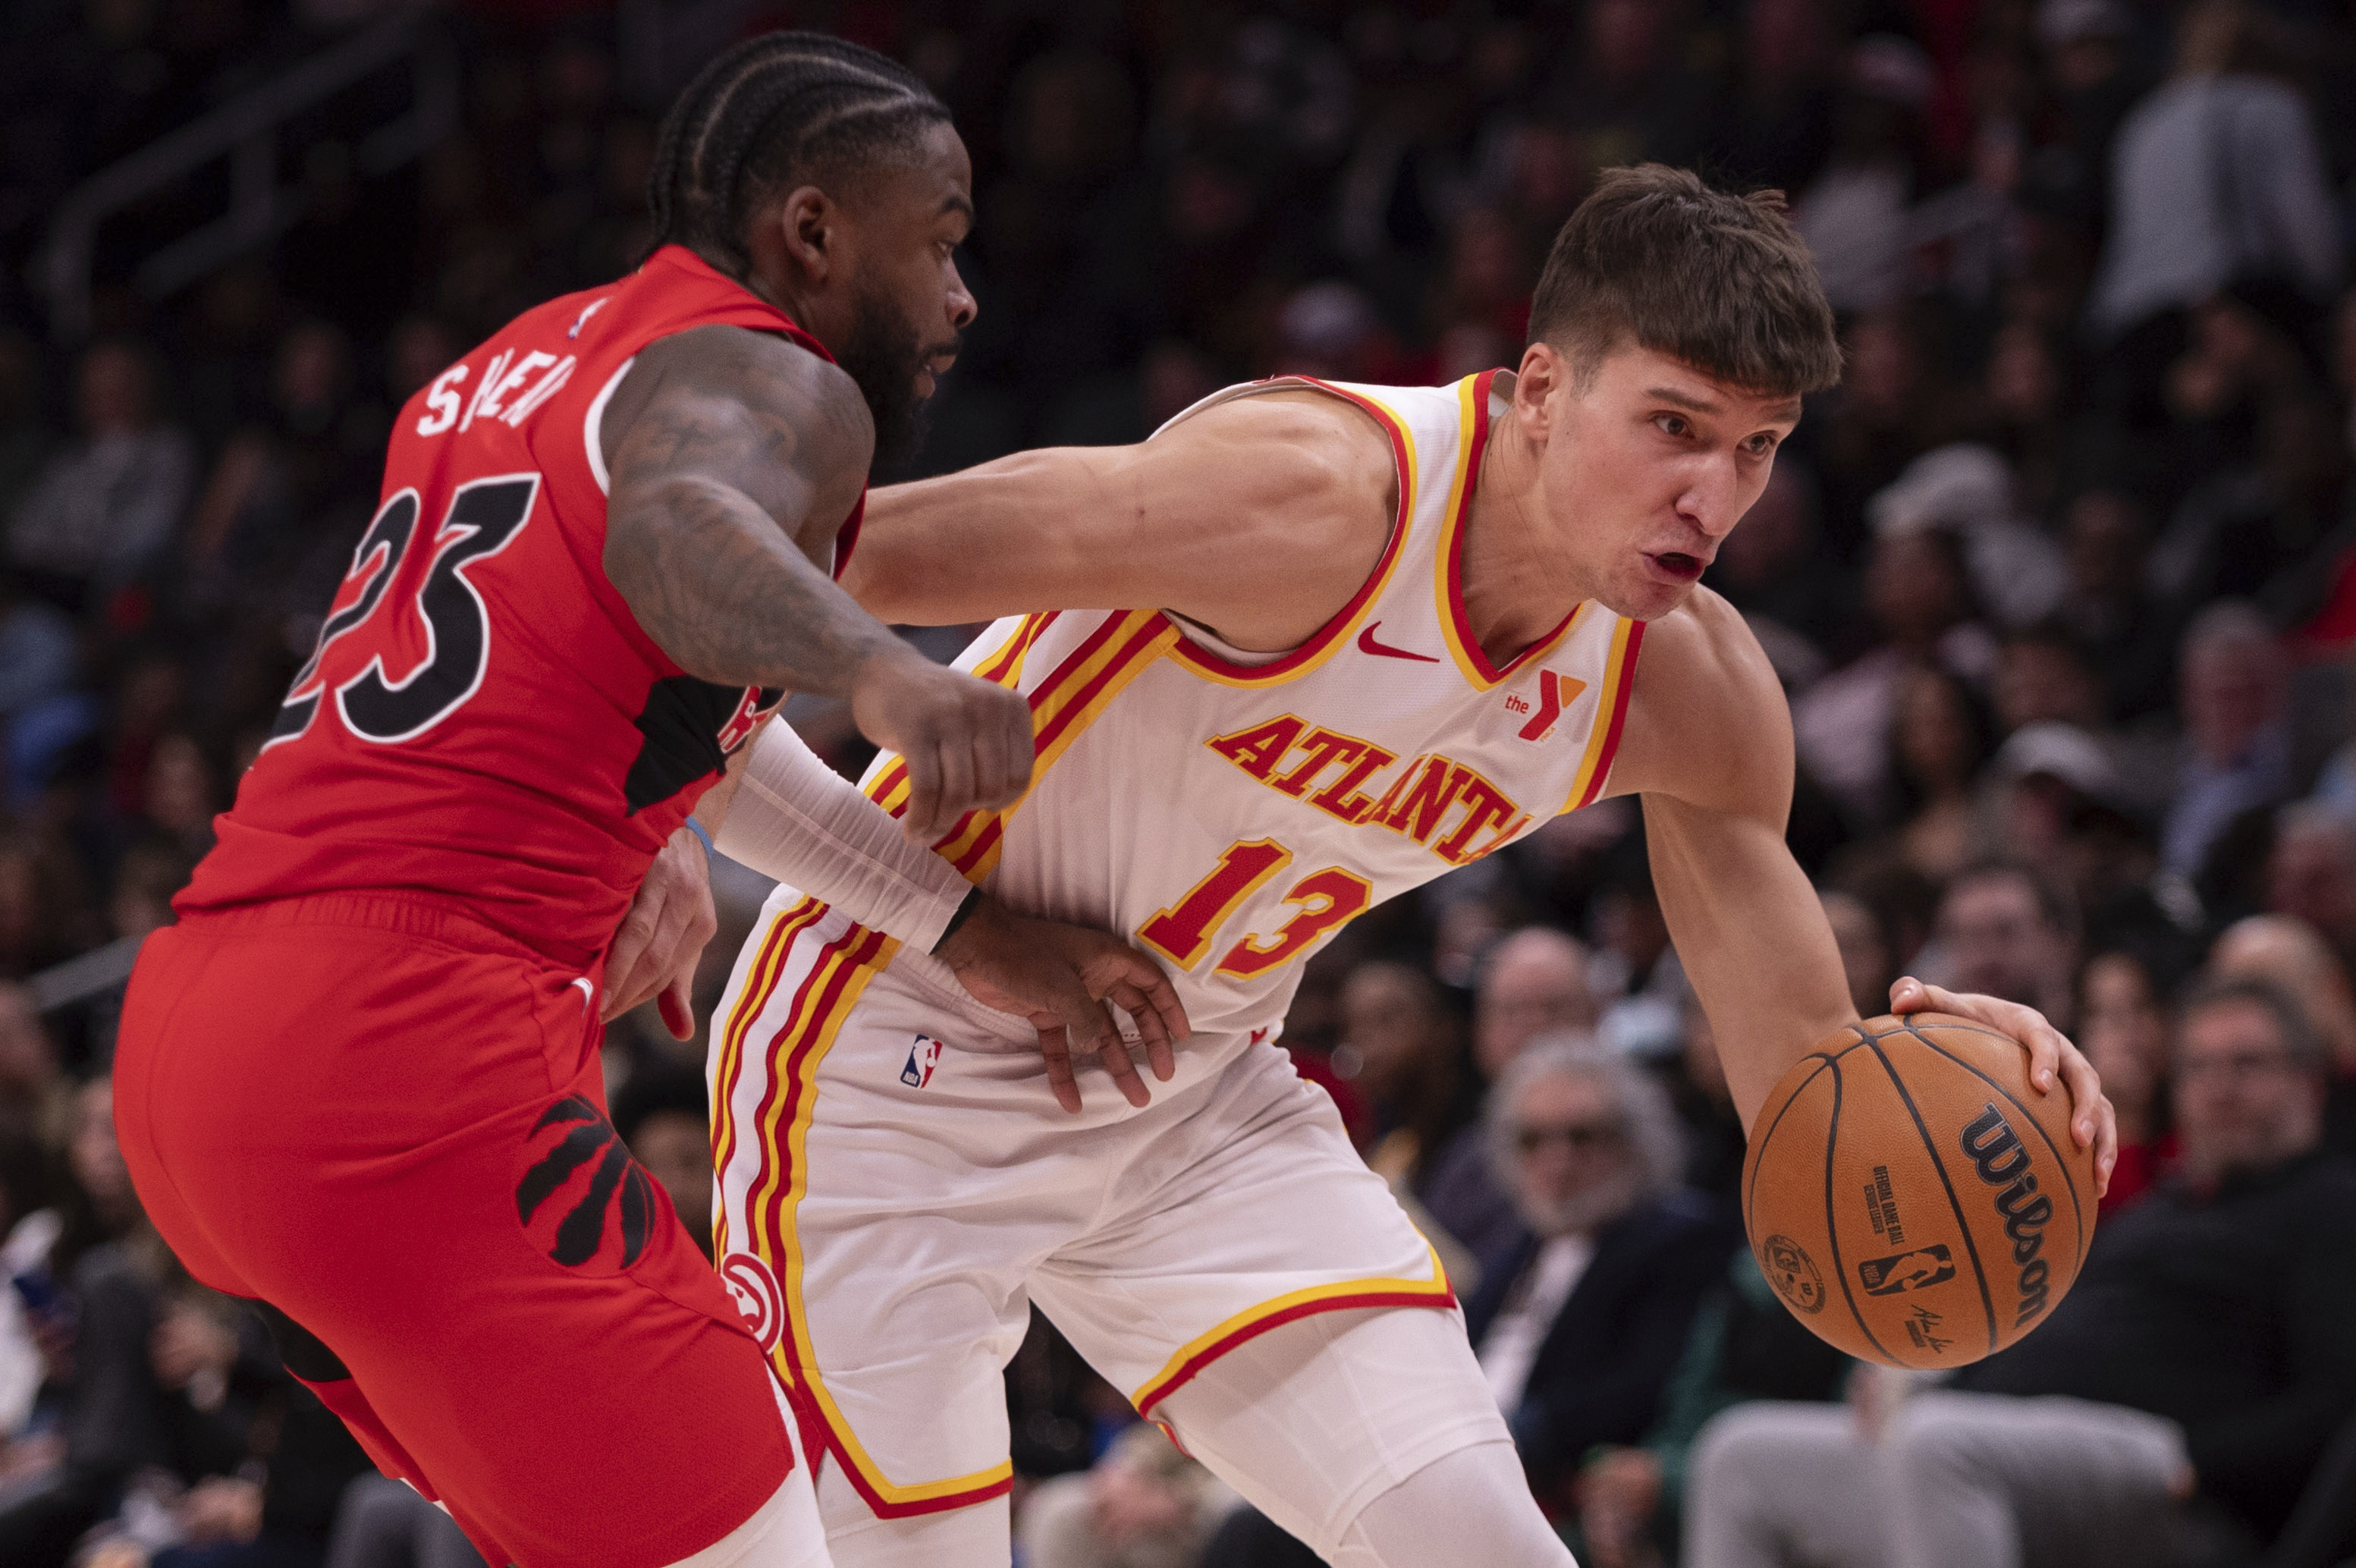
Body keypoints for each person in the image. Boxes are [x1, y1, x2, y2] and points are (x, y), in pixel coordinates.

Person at [646, 165, 2112, 1568]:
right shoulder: (1315, 500)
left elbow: (1805, 1085)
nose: (1713, 498)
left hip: (1192, 1093)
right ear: (1542, 389)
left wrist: (1950, 1075)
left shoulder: (1687, 689)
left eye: (1756, 445)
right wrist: (653, 814)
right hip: (896, 1057)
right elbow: (765, 558)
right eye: (1672, 425)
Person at [110, 33, 1182, 1568]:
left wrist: (952, 919)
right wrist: (881, 670)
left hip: (201, 1048)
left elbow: (688, 724)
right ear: (809, 233)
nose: (961, 298)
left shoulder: (517, 359)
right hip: (400, 1064)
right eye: (940, 240)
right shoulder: (780, 376)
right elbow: (676, 534)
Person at [1683, 976, 2356, 1568]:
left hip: (2166, 1471)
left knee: (1939, 1444)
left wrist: (2199, 1464)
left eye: (2248, 1064)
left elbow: (2334, 1402)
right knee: (1740, 1457)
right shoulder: (2164, 1205)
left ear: (2309, 1078)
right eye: (2202, 1066)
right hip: (2004, 1449)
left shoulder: (2331, 1205)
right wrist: (1927, 1381)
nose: (2221, 1086)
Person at [1462, 1040, 1732, 1510]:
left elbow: (1645, 1387)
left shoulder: (1676, 1241)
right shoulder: (1517, 1254)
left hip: (1546, 1479)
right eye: (1534, 1141)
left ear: (1633, 1141)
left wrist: (1503, 1435)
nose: (1559, 1162)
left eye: (1582, 1137)